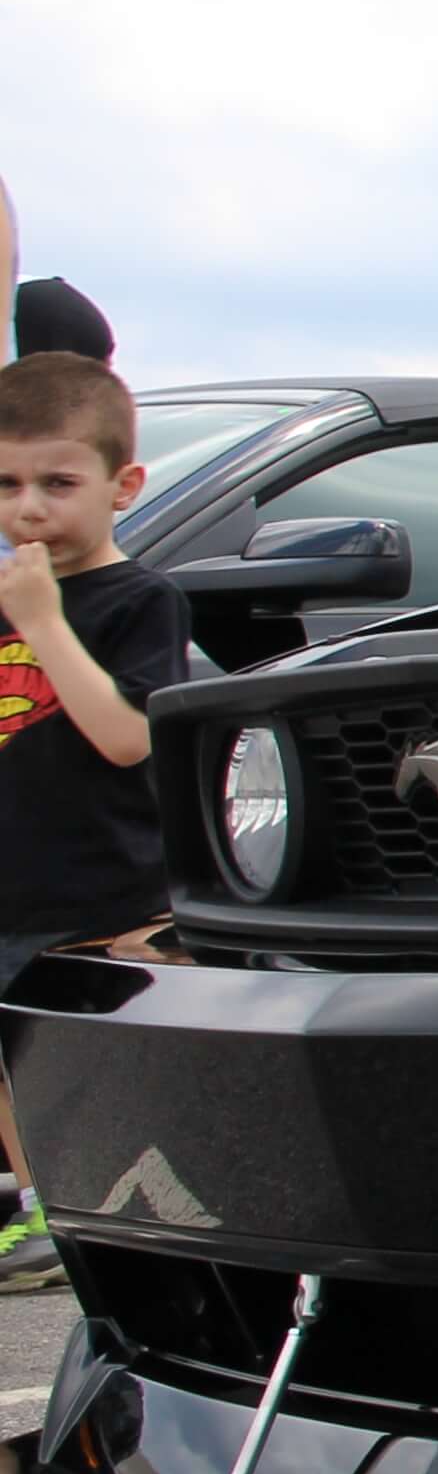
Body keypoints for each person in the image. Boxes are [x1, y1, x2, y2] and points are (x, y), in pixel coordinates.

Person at [0, 353, 188, 1290]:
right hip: (15, 875)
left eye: (57, 484)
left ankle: (141, 1200)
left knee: (98, 1053)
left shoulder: (139, 601)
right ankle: (44, 1213)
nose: (29, 507)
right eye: (6, 484)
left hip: (104, 887)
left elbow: (125, 737)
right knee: (13, 1057)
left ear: (123, 486)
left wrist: (42, 624)